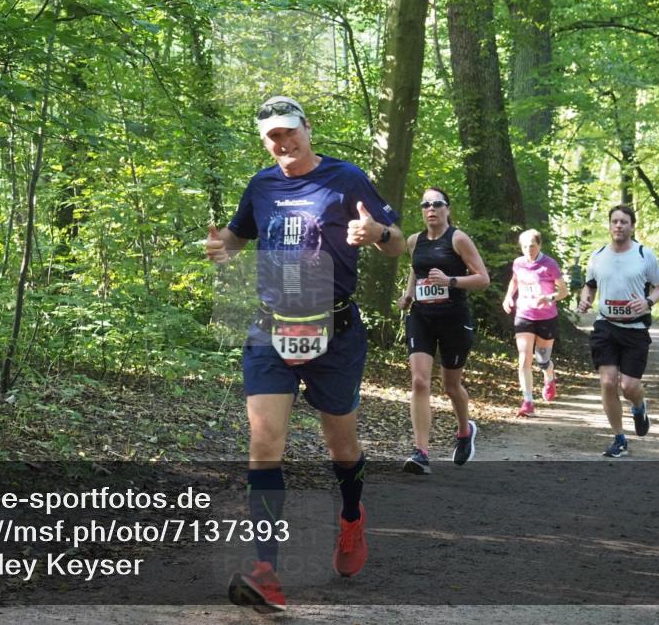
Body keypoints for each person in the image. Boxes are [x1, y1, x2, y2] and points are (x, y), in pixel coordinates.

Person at [206, 95, 405, 612]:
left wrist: (377, 233)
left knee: (341, 446)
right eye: (272, 135)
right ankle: (265, 570)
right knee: (264, 445)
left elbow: (397, 242)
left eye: (289, 132)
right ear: (264, 140)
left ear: (307, 129)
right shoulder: (261, 185)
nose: (282, 142)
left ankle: (352, 515)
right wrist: (222, 246)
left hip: (334, 332)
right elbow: (238, 236)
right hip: (272, 330)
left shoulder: (345, 179)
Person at [396, 187, 490, 475]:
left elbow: (483, 279)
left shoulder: (458, 239)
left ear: (447, 209)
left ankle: (465, 431)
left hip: (453, 319)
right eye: (425, 204)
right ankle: (421, 452)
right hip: (422, 317)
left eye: (437, 204)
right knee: (420, 381)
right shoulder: (415, 241)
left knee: (451, 386)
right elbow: (416, 269)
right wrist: (409, 294)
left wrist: (451, 281)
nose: (431, 209)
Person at [577, 205, 659, 457]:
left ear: (632, 226)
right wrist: (585, 300)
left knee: (628, 387)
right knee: (607, 382)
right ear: (609, 225)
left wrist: (648, 302)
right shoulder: (598, 255)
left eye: (624, 222)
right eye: (614, 221)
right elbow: (590, 286)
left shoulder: (643, 254)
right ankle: (619, 438)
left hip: (635, 330)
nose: (618, 225)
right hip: (605, 327)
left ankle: (639, 406)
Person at [502, 229, 569, 417]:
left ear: (539, 245)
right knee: (524, 358)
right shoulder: (518, 263)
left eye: (532, 245)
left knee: (542, 360)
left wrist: (549, 297)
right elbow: (514, 281)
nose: (528, 250)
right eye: (524, 246)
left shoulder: (549, 265)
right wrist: (508, 297)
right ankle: (528, 401)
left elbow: (564, 292)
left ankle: (549, 375)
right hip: (524, 314)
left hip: (546, 317)